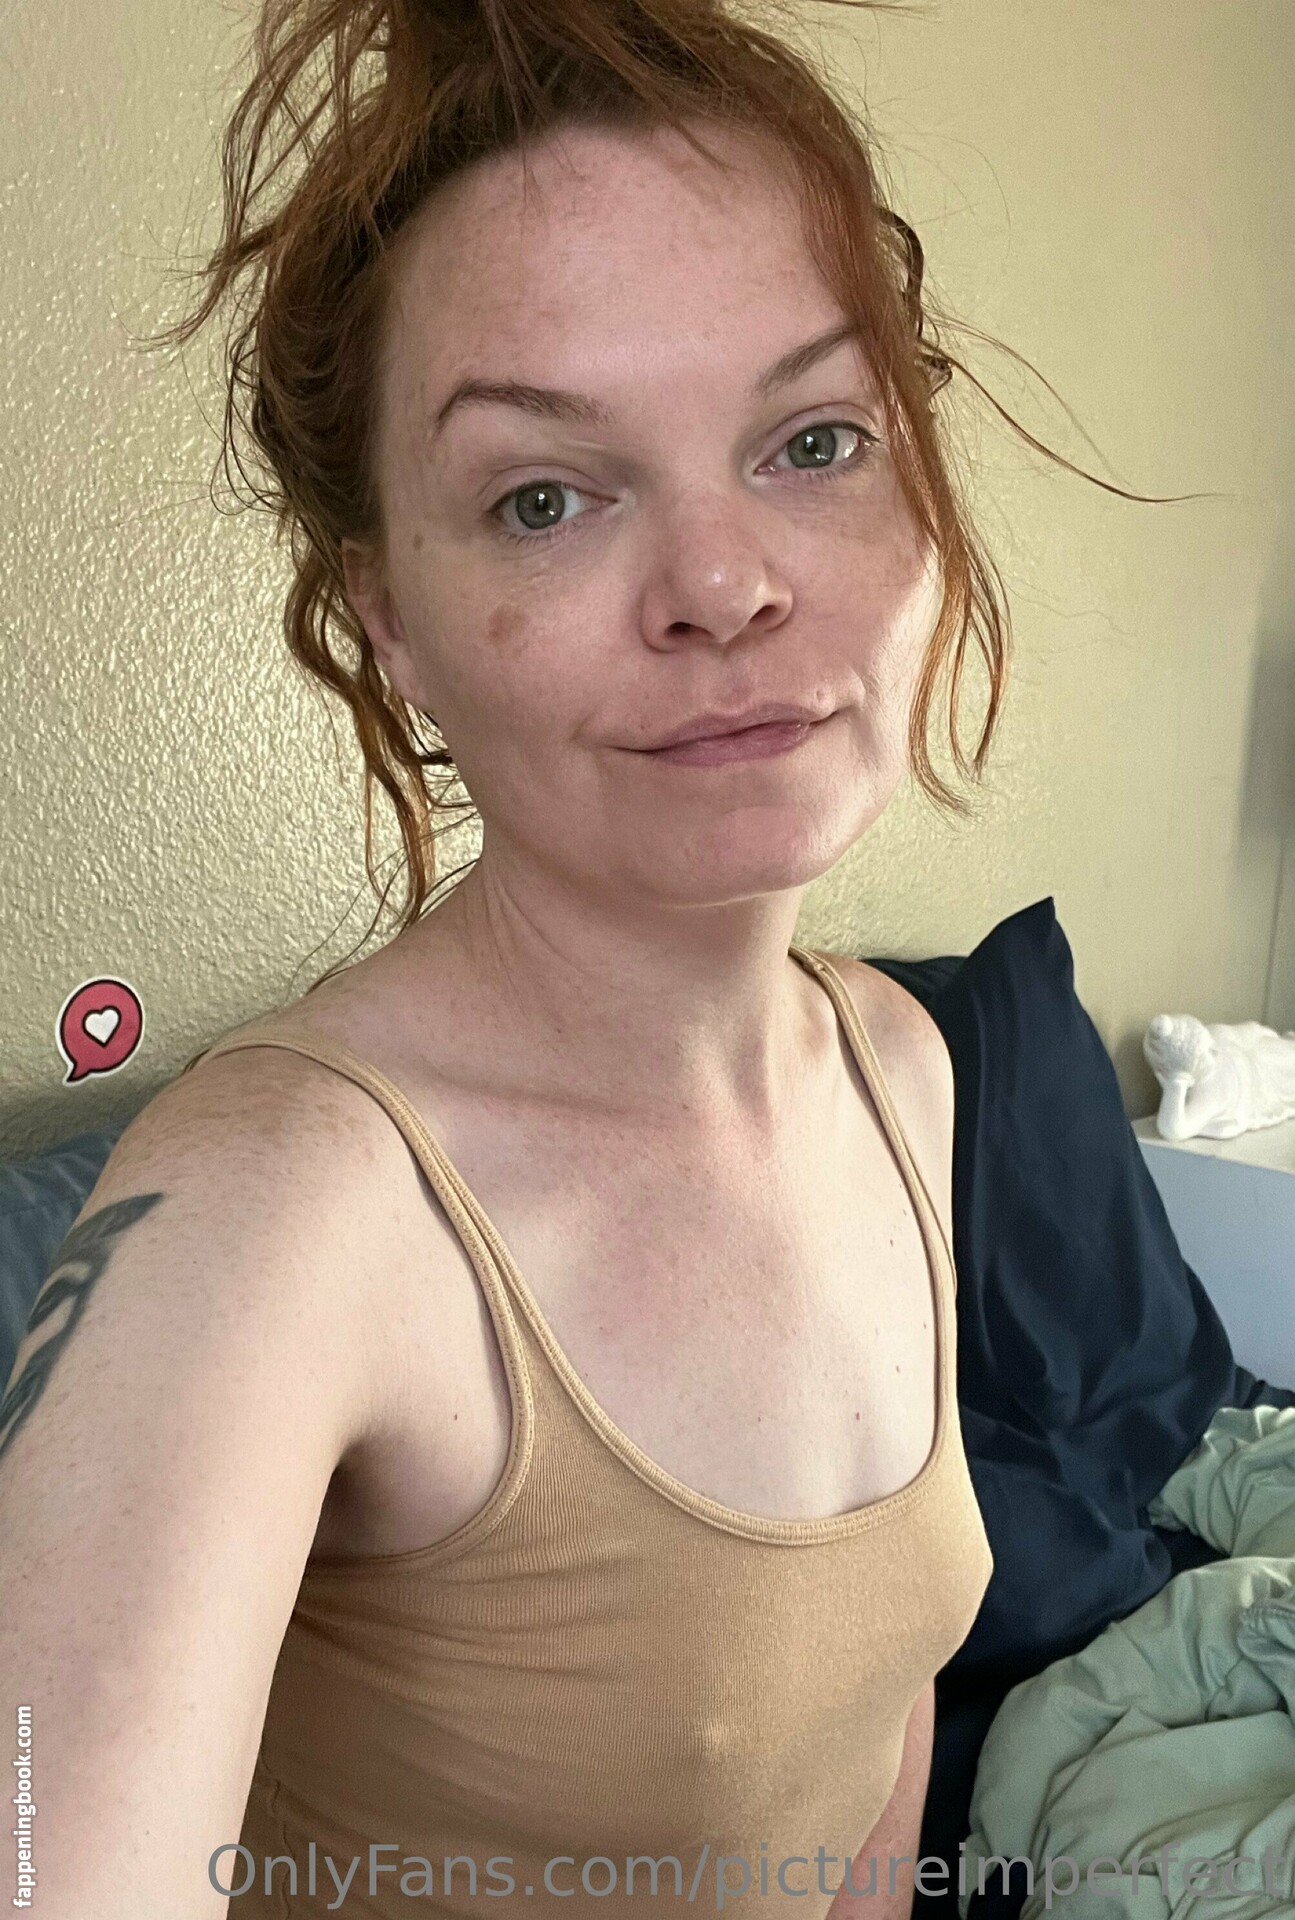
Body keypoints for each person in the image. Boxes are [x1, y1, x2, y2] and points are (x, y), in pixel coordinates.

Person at [0, 2, 1045, 1914]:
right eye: (544, 497)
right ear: (390, 618)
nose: (724, 585)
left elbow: (870, 1739)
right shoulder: (276, 1206)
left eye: (814, 440)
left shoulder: (900, 1063)